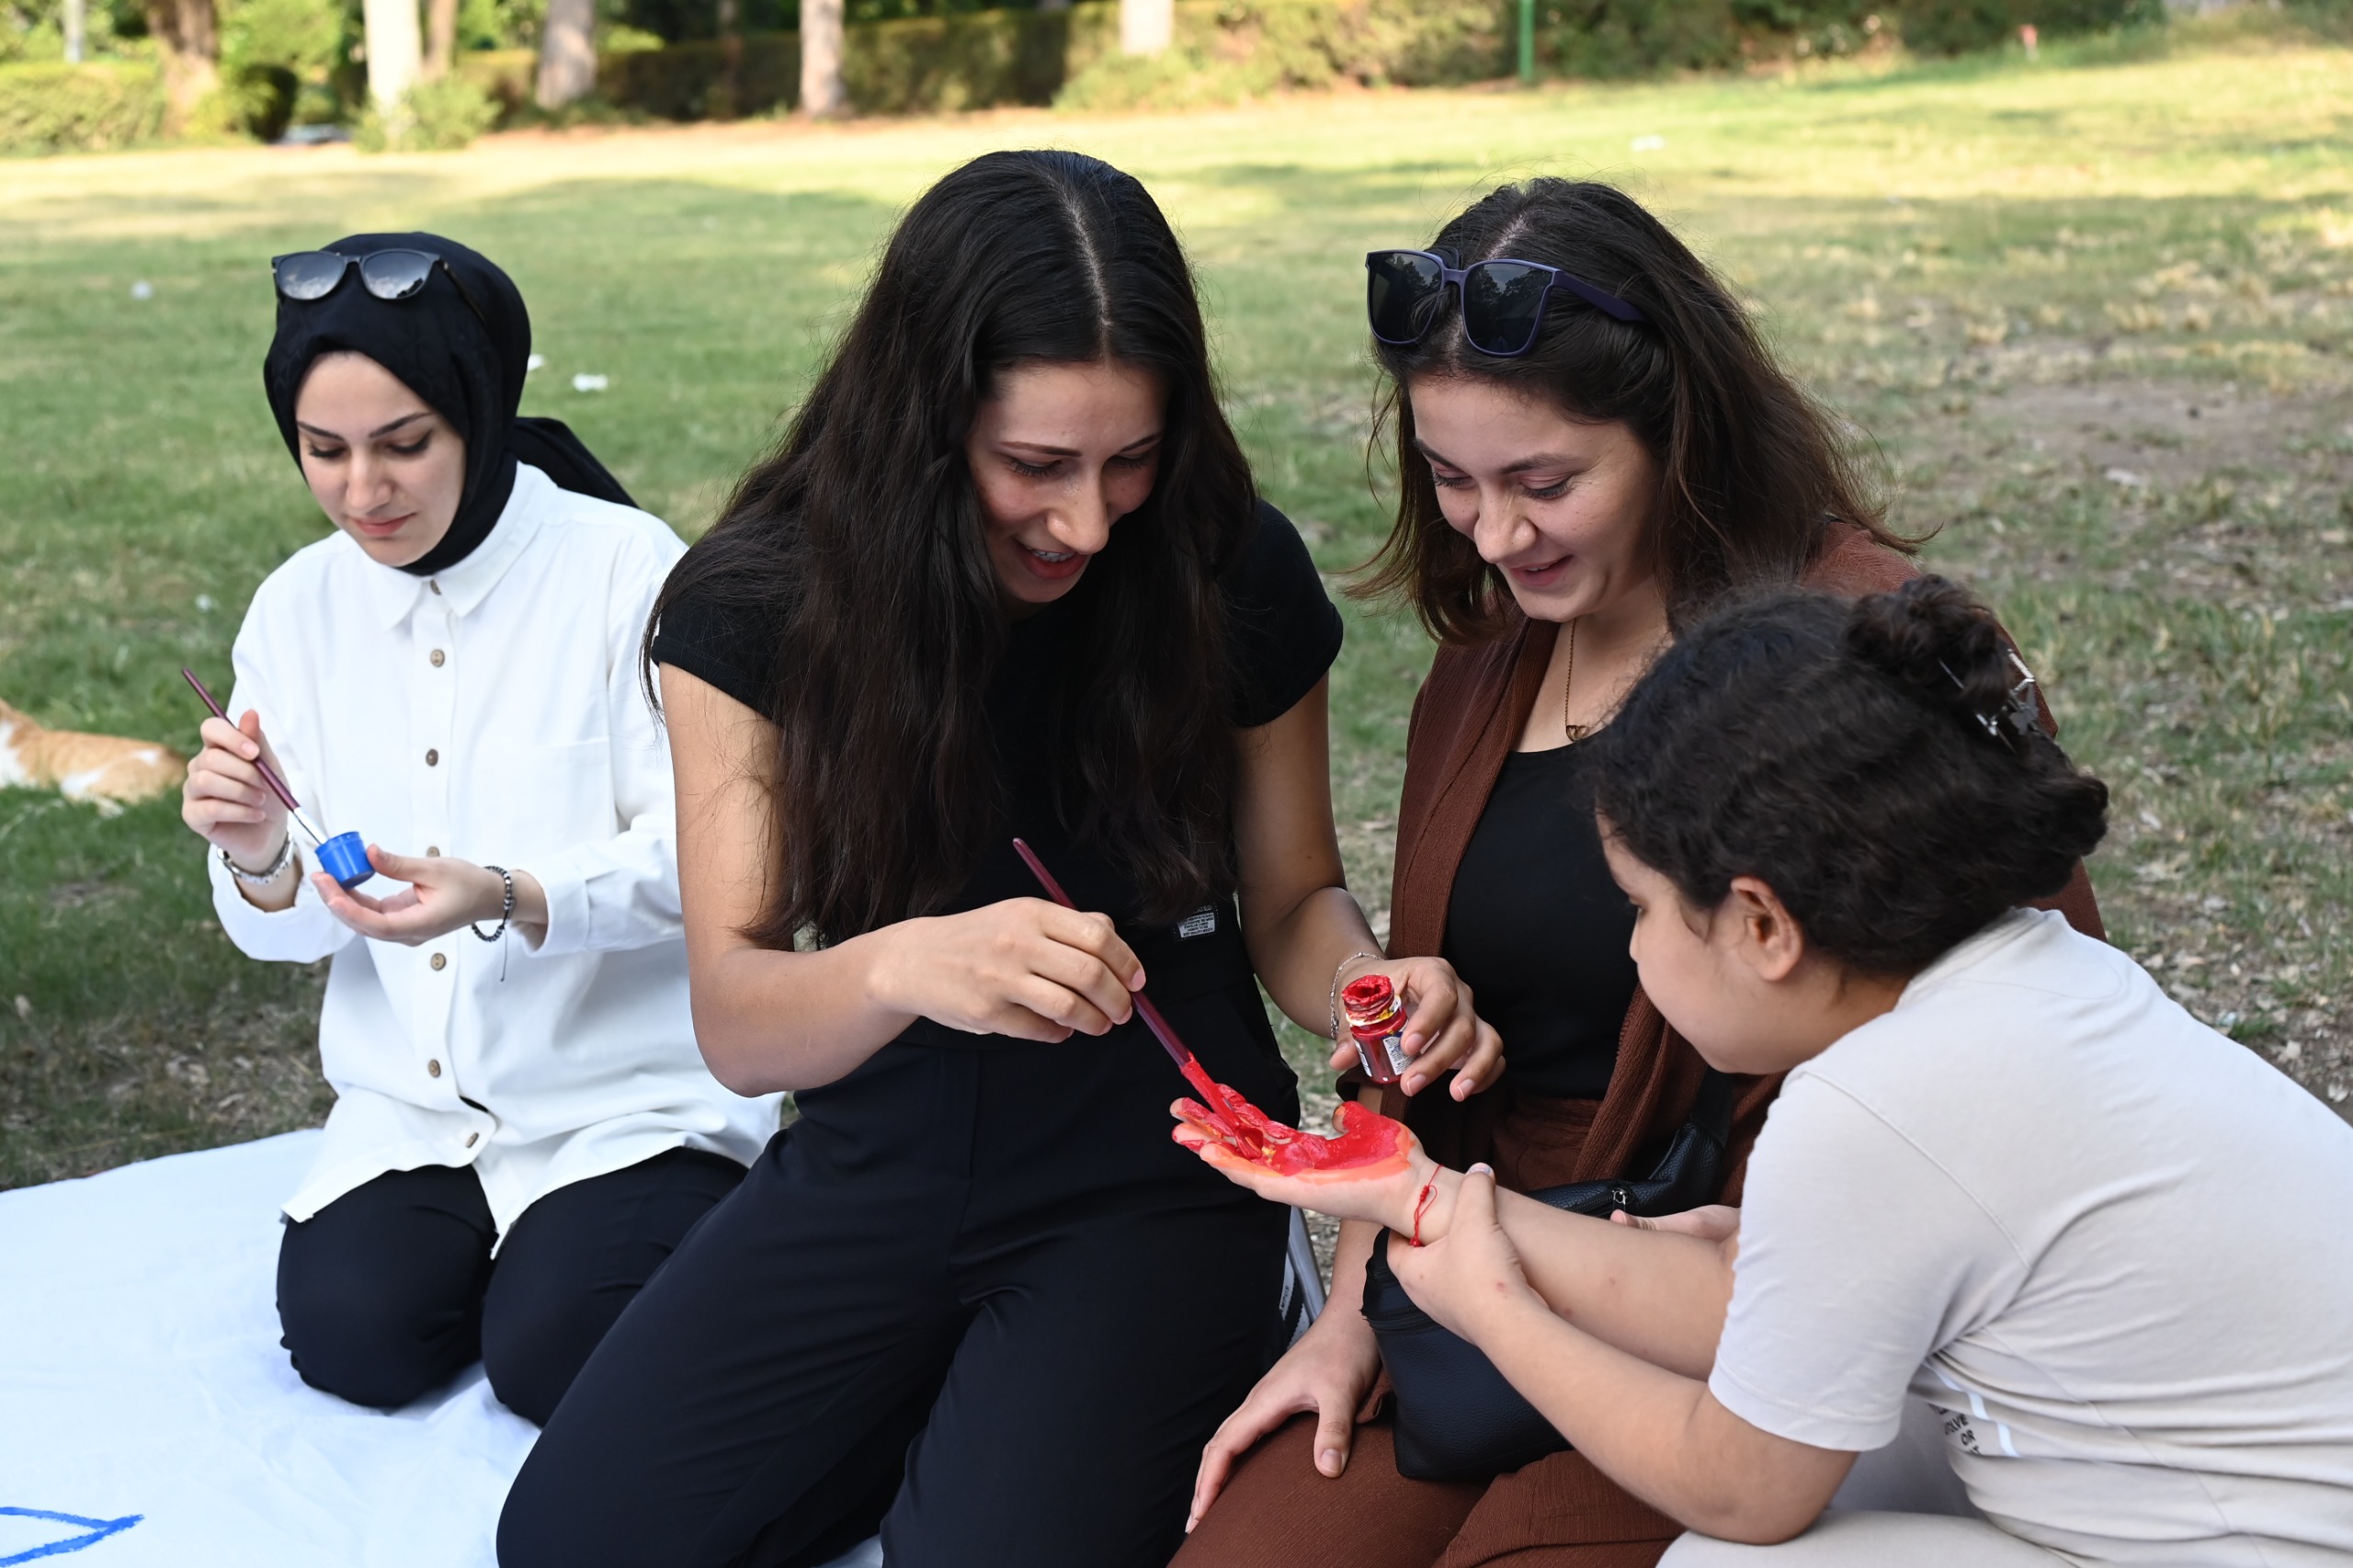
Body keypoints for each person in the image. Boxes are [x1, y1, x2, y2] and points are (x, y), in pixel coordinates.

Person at [494, 150, 1498, 1568]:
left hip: (1156, 1154)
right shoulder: (756, 607)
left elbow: (1288, 899)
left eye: (1131, 460)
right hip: (883, 1149)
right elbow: (739, 1020)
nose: (1088, 521)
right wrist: (916, 960)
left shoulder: (1220, 568)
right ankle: (959, 1398)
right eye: (1035, 465)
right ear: (926, 422)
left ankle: (1059, 1382)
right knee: (578, 1545)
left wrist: (1365, 987)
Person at [1175, 179, 2103, 1567]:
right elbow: (1401, 1073)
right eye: (1451, 479)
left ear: (1680, 434)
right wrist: (1354, 1307)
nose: (1493, 536)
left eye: (1547, 483)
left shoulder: (1850, 650)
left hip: (1750, 1296)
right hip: (1463, 1261)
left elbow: (2034, 1008)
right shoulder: (1491, 649)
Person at [1178, 576, 2353, 1566]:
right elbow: (1754, 1300)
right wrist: (1423, 1201)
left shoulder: (1870, 1113)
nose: (1633, 949)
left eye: (1638, 909)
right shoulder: (2020, 977)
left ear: (1760, 925)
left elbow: (1745, 1484)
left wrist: (1494, 1305)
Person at [179, 233, 775, 1426]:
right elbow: (287, 933)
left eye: (406, 444)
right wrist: (254, 851)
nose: (364, 491)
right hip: (417, 1112)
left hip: (624, 1104)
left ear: (481, 411)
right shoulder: (296, 609)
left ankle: (629, 1240)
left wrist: (506, 889)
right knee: (357, 1338)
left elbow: (712, 866)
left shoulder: (624, 572)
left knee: (558, 1352)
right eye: (324, 451)